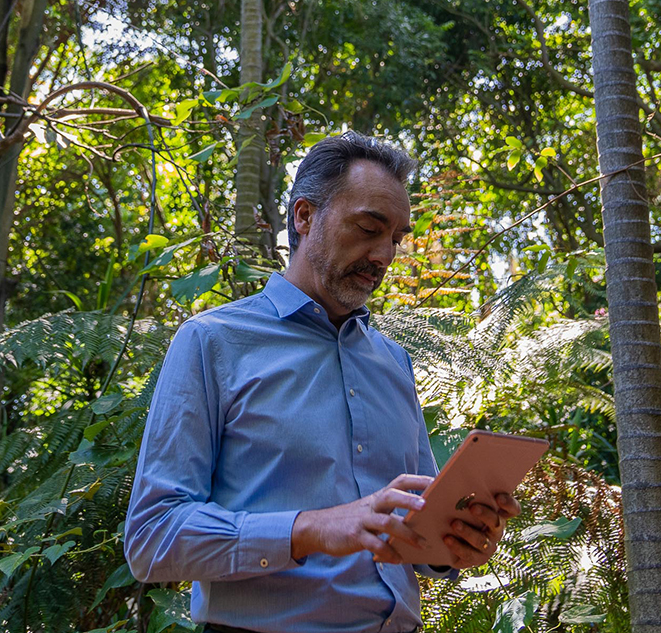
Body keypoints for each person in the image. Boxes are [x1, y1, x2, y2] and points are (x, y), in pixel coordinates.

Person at [123, 132, 521, 633]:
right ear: (304, 217)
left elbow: (416, 537)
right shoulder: (212, 342)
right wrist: (313, 528)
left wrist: (455, 540)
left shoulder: (393, 361)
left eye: (396, 238)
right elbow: (153, 539)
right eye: (369, 228)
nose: (384, 255)